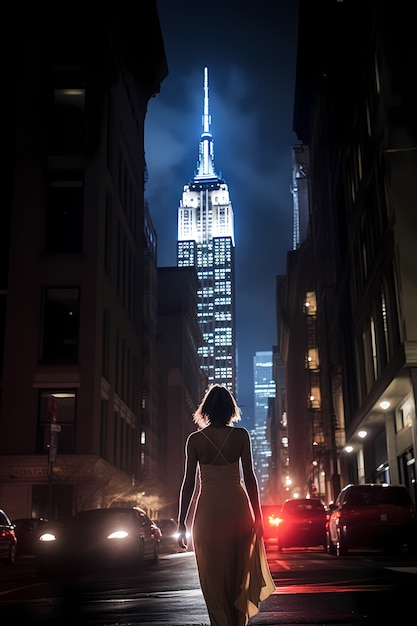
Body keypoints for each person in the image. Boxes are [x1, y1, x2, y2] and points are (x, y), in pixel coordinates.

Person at [177, 384, 275, 626]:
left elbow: (188, 483)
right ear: (231, 409)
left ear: (206, 409)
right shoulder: (241, 436)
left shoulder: (195, 440)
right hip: (237, 508)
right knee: (239, 570)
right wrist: (258, 517)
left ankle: (219, 621)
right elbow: (250, 477)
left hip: (209, 509)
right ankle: (237, 621)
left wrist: (181, 522)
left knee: (212, 571)